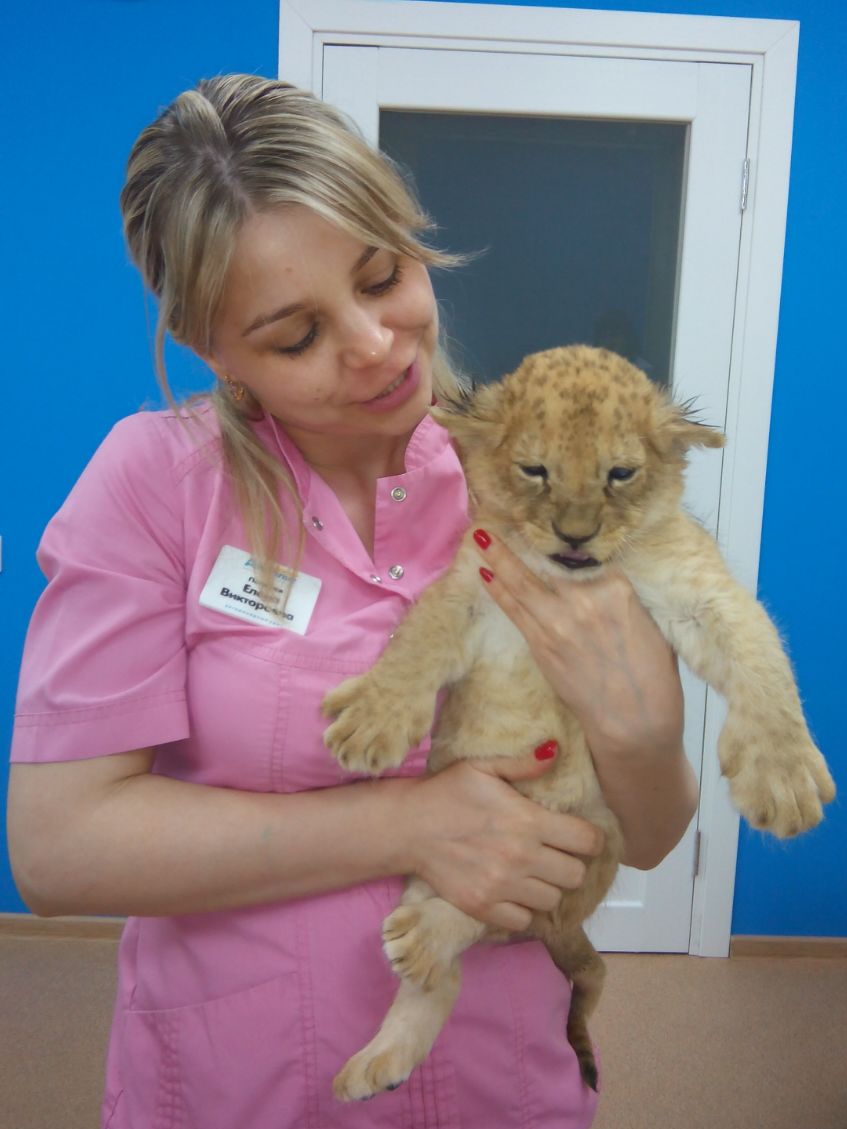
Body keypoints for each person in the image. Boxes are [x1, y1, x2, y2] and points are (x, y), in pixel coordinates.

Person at [7, 75, 697, 1129]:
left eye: (384, 276)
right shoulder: (156, 486)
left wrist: (649, 737)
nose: (375, 344)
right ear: (216, 351)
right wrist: (407, 823)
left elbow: (646, 834)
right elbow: (57, 846)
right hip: (251, 1086)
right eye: (295, 336)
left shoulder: (526, 477)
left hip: (499, 1075)